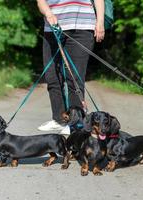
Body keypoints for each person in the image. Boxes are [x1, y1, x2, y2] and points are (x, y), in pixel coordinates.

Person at [36, 0, 105, 134]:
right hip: (52, 27)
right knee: (52, 76)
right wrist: (48, 13)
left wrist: (100, 21)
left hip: (83, 28)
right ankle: (59, 120)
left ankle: (76, 124)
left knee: (74, 78)